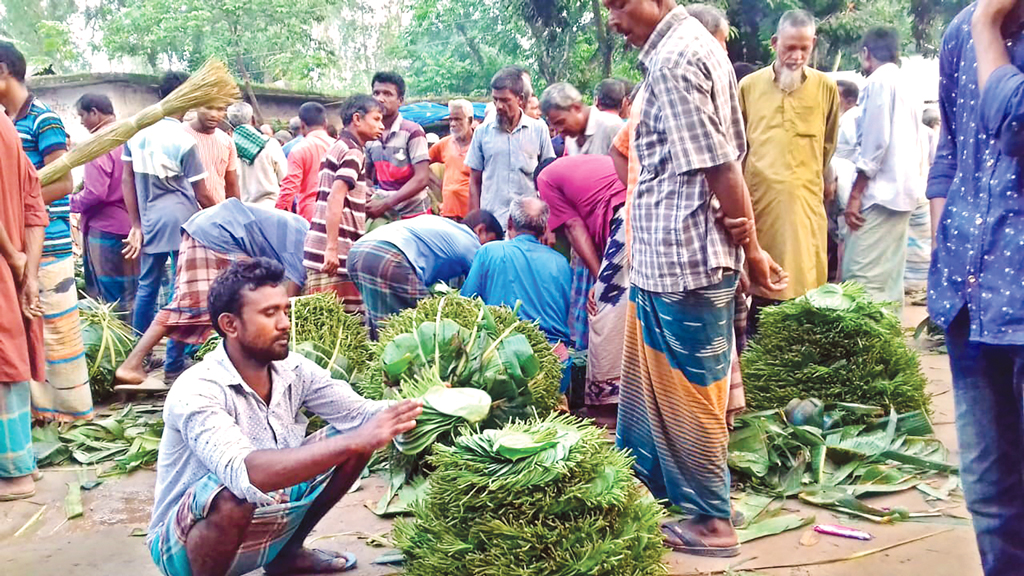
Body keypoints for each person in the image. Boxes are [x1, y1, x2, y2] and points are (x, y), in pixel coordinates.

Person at [604, 0, 788, 557]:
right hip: (667, 259)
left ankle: (712, 522)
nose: (613, 18)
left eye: (618, 3)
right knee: (658, 393)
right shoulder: (687, 48)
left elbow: (721, 165)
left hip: (685, 262)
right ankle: (665, 497)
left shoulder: (679, 57)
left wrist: (753, 250)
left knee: (690, 397)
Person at [146, 257, 422, 576]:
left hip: (264, 521)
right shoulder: (197, 389)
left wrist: (430, 404)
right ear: (229, 325)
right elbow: (245, 472)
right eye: (269, 313)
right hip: (187, 548)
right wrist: (354, 440)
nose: (285, 323)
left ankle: (287, 555)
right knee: (233, 493)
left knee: (355, 438)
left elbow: (360, 414)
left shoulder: (294, 370)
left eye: (284, 310)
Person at [928, 3, 1024, 574]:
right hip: (969, 297)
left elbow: (1012, 120)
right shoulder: (960, 29)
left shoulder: (979, 24)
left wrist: (990, 25)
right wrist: (946, 242)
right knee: (989, 495)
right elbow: (952, 147)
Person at [115, 199, 310, 391]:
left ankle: (174, 367)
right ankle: (131, 365)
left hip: (214, 227)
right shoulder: (306, 239)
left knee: (213, 306)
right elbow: (291, 297)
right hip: (216, 231)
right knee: (196, 305)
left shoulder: (304, 229)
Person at [0, 41, 92, 422]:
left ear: (4, 71)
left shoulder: (43, 119)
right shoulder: (8, 119)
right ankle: (40, 413)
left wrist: (23, 192)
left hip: (47, 240)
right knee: (28, 329)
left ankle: (73, 413)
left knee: (55, 329)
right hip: (15, 243)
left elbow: (65, 182)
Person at [738, 9, 840, 334]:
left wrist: (822, 180)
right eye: (789, 48)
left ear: (813, 45)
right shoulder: (749, 87)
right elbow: (738, 150)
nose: (796, 56)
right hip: (760, 207)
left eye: (804, 49)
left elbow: (828, 145)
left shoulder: (826, 88)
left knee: (806, 288)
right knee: (762, 289)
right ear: (774, 43)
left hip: (806, 207)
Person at [121, 71, 217, 385]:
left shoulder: (137, 132)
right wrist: (223, 215)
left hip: (150, 219)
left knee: (147, 288)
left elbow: (128, 181)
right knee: (183, 292)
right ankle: (175, 362)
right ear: (185, 97)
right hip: (181, 219)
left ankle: (142, 355)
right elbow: (202, 193)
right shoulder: (183, 139)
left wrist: (136, 223)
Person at [842, 27, 928, 312]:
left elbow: (875, 143)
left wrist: (856, 194)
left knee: (859, 281)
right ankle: (887, 349)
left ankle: (868, 352)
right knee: (889, 282)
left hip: (879, 196)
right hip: (904, 194)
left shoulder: (879, 82)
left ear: (866, 54)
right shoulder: (907, 82)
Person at [534, 156, 627, 416]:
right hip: (645, 211)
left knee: (605, 309)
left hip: (624, 215)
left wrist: (600, 283)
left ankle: (607, 408)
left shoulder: (546, 179)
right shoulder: (589, 171)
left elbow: (574, 227)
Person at [348, 212, 503, 336]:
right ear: (480, 230)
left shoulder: (443, 225)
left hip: (358, 251)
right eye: (489, 242)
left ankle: (375, 368)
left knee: (382, 321)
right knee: (424, 323)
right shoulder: (471, 242)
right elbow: (483, 284)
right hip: (388, 255)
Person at [302, 95, 385, 316]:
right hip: (335, 253)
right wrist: (332, 248)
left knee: (323, 325)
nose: (381, 125)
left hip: (321, 248)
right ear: (357, 119)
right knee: (344, 328)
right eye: (376, 119)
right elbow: (335, 196)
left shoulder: (338, 145)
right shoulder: (353, 151)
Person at [0, 111, 47, 501]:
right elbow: (35, 208)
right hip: (12, 265)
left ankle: (13, 473)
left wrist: (17, 261)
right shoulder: (9, 131)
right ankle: (21, 463)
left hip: (6, 263)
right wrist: (27, 271)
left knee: (4, 363)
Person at [462, 197, 571, 343]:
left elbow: (466, 303)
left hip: (504, 350)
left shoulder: (490, 252)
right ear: (545, 228)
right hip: (554, 353)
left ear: (510, 222)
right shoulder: (561, 263)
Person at [70, 93, 138, 314]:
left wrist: (70, 202)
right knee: (133, 290)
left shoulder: (98, 143)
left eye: (82, 115)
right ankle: (140, 341)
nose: (81, 122)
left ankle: (124, 345)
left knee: (111, 296)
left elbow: (95, 192)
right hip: (134, 226)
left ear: (94, 112)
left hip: (106, 228)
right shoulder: (130, 134)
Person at [467, 67, 556, 229]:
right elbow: (474, 182)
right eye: (495, 100)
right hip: (492, 225)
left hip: (528, 226)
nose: (499, 106)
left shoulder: (539, 129)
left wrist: (548, 226)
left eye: (505, 100)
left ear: (520, 99)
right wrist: (475, 223)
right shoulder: (482, 132)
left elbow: (548, 180)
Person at [365, 72, 432, 220]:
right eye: (376, 93)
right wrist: (368, 192)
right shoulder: (370, 135)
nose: (380, 99)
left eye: (388, 94)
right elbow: (366, 176)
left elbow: (422, 178)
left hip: (414, 215)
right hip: (385, 216)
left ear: (400, 100)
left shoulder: (413, 132)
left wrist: (385, 204)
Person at [275, 103, 335, 220]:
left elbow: (290, 187)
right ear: (325, 124)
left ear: (302, 126)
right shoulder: (338, 146)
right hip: (337, 213)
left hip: (310, 214)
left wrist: (277, 214)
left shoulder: (299, 150)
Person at [226, 102, 288, 208]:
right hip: (270, 208)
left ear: (229, 123)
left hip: (240, 210)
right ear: (253, 120)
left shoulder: (227, 146)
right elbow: (285, 178)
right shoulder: (270, 144)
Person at [541, 82, 623, 157]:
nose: (559, 130)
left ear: (576, 107)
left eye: (561, 122)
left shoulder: (612, 126)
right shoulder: (571, 136)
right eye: (555, 125)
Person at [428, 100, 476, 220]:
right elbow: (421, 163)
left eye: (458, 119)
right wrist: (438, 183)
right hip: (448, 213)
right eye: (451, 119)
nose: (453, 124)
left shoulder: (480, 144)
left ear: (469, 121)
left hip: (471, 214)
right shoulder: (444, 143)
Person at [184, 104, 240, 204]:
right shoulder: (179, 135)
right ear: (197, 105)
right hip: (188, 214)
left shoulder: (227, 141)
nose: (213, 114)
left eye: (220, 109)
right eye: (208, 107)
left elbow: (232, 186)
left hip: (218, 214)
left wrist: (237, 215)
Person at [834, 80, 861, 162]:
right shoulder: (842, 117)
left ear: (849, 102)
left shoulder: (852, 117)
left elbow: (859, 148)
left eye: (834, 96)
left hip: (847, 170)